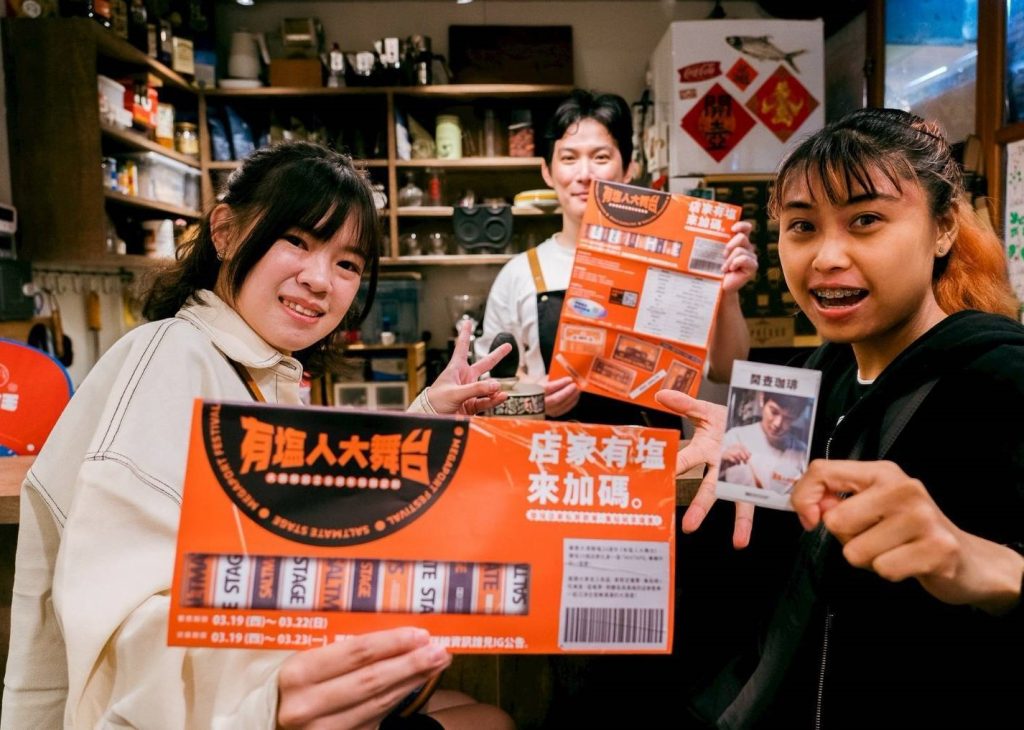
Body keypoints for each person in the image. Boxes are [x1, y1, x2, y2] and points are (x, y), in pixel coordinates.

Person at [2, 142, 516, 730]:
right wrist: (269, 697)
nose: (319, 279)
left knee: (473, 708)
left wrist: (425, 418)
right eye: (295, 240)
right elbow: (120, 613)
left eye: (348, 264)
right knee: (489, 721)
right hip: (208, 712)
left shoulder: (253, 370)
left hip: (249, 691)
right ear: (225, 231)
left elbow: (310, 510)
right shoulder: (171, 357)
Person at [656, 108, 1024, 728]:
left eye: (866, 221)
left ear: (942, 229)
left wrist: (985, 565)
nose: (826, 257)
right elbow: (769, 583)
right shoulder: (811, 376)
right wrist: (734, 454)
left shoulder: (1003, 379)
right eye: (802, 226)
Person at [475, 89, 758, 424]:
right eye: (568, 158)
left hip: (656, 447)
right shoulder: (519, 273)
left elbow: (726, 370)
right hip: (554, 451)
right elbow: (487, 382)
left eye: (600, 157)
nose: (584, 174)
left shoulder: (672, 261)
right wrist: (533, 396)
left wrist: (727, 294)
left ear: (628, 169)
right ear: (547, 171)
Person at [719, 391, 808, 494]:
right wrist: (721, 459)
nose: (777, 424)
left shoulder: (802, 453)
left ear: (797, 417)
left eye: (788, 418)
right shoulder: (735, 436)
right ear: (762, 400)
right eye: (774, 412)